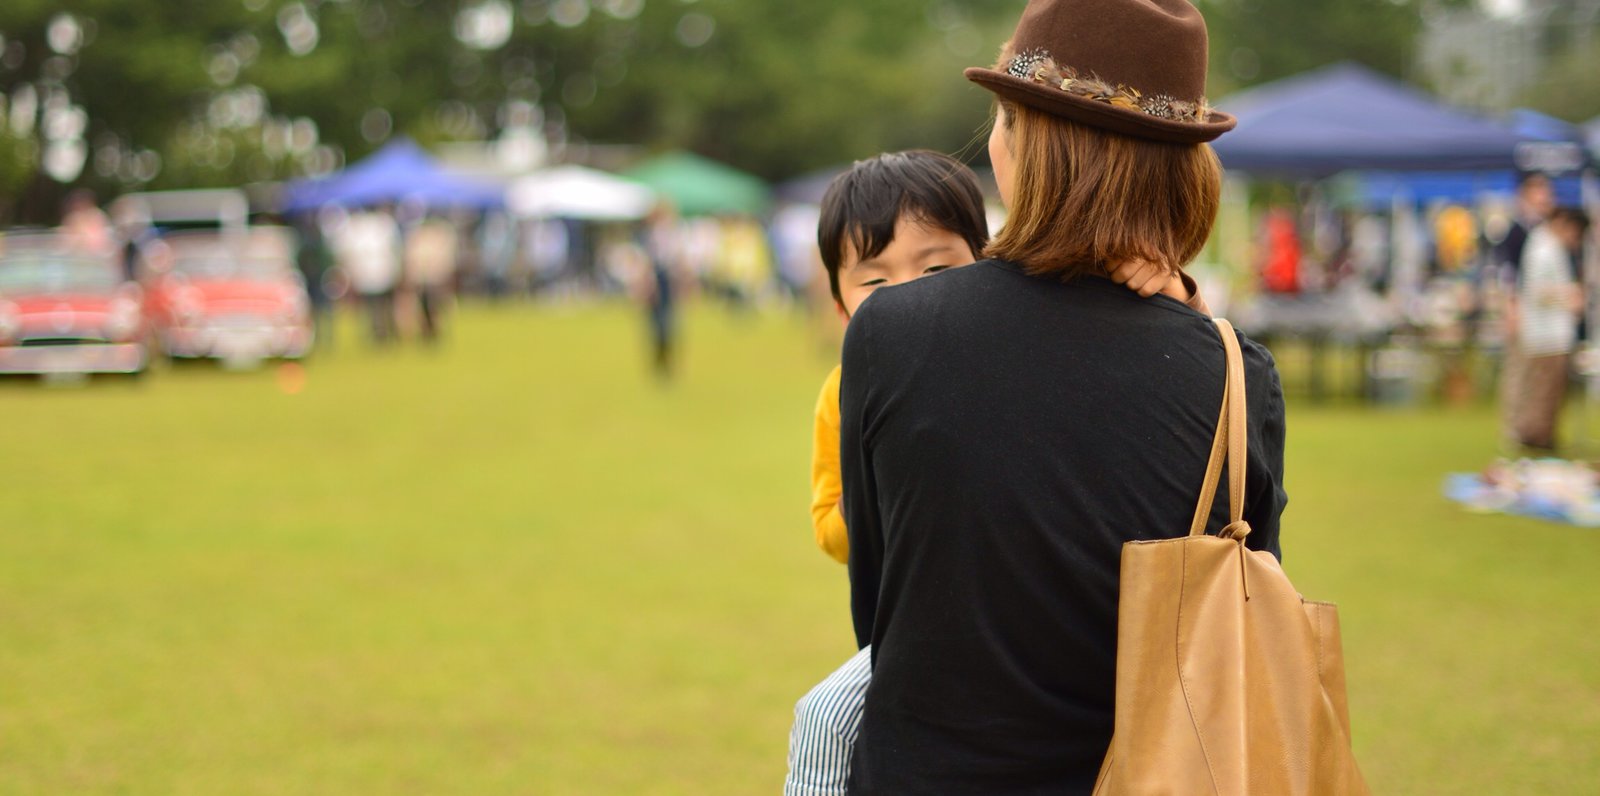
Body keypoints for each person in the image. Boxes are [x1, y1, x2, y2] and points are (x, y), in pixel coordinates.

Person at [836, 1, 1286, 791]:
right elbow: (1240, 613)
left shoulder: (890, 331)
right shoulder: (1232, 369)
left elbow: (879, 607)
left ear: (1024, 143)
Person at [786, 149, 1210, 794]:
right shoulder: (844, 394)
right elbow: (833, 527)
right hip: (926, 629)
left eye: (936, 267)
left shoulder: (1012, 357)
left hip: (1038, 617)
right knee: (823, 717)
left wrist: (1174, 294)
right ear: (842, 306)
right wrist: (877, 498)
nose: (908, 294)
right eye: (875, 284)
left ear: (983, 265)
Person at [1512, 208, 1590, 452]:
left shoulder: (1548, 246)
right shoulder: (1542, 248)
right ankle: (1535, 437)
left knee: (1550, 391)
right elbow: (1538, 290)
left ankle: (1542, 436)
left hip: (1552, 332)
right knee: (1543, 390)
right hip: (1546, 334)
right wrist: (1569, 296)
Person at [1498, 173, 1557, 447]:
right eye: (1539, 192)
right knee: (1518, 370)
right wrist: (1511, 309)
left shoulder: (1546, 230)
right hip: (1521, 308)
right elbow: (1508, 275)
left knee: (1538, 374)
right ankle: (1514, 428)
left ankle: (1533, 428)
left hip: (1543, 316)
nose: (1545, 198)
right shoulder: (1516, 231)